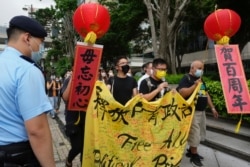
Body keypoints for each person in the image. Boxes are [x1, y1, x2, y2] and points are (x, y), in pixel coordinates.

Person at [0, 15, 55, 166]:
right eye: (41, 43)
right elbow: (37, 131)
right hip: (18, 157)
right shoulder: (26, 71)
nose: (40, 48)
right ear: (27, 38)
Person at [176, 60, 219, 167]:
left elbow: (205, 94)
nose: (201, 70)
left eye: (203, 68)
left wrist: (212, 108)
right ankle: (194, 155)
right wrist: (194, 86)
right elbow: (181, 92)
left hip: (201, 110)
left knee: (199, 132)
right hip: (192, 111)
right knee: (194, 133)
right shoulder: (187, 78)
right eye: (199, 68)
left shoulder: (200, 80)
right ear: (192, 68)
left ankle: (191, 151)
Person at [61, 68, 86, 167]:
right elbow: (65, 97)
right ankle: (69, 159)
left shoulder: (90, 80)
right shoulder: (68, 80)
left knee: (85, 146)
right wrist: (72, 79)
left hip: (86, 118)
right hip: (72, 119)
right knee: (77, 147)